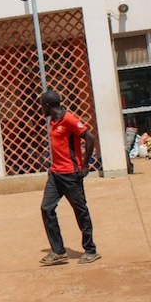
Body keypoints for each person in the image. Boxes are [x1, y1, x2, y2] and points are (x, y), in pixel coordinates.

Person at [38, 89, 101, 266]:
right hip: (55, 174)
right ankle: (58, 252)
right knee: (46, 208)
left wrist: (86, 164)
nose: (41, 109)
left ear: (48, 106)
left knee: (80, 211)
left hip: (71, 175)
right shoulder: (52, 121)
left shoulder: (69, 119)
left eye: (42, 106)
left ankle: (90, 250)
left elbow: (89, 138)